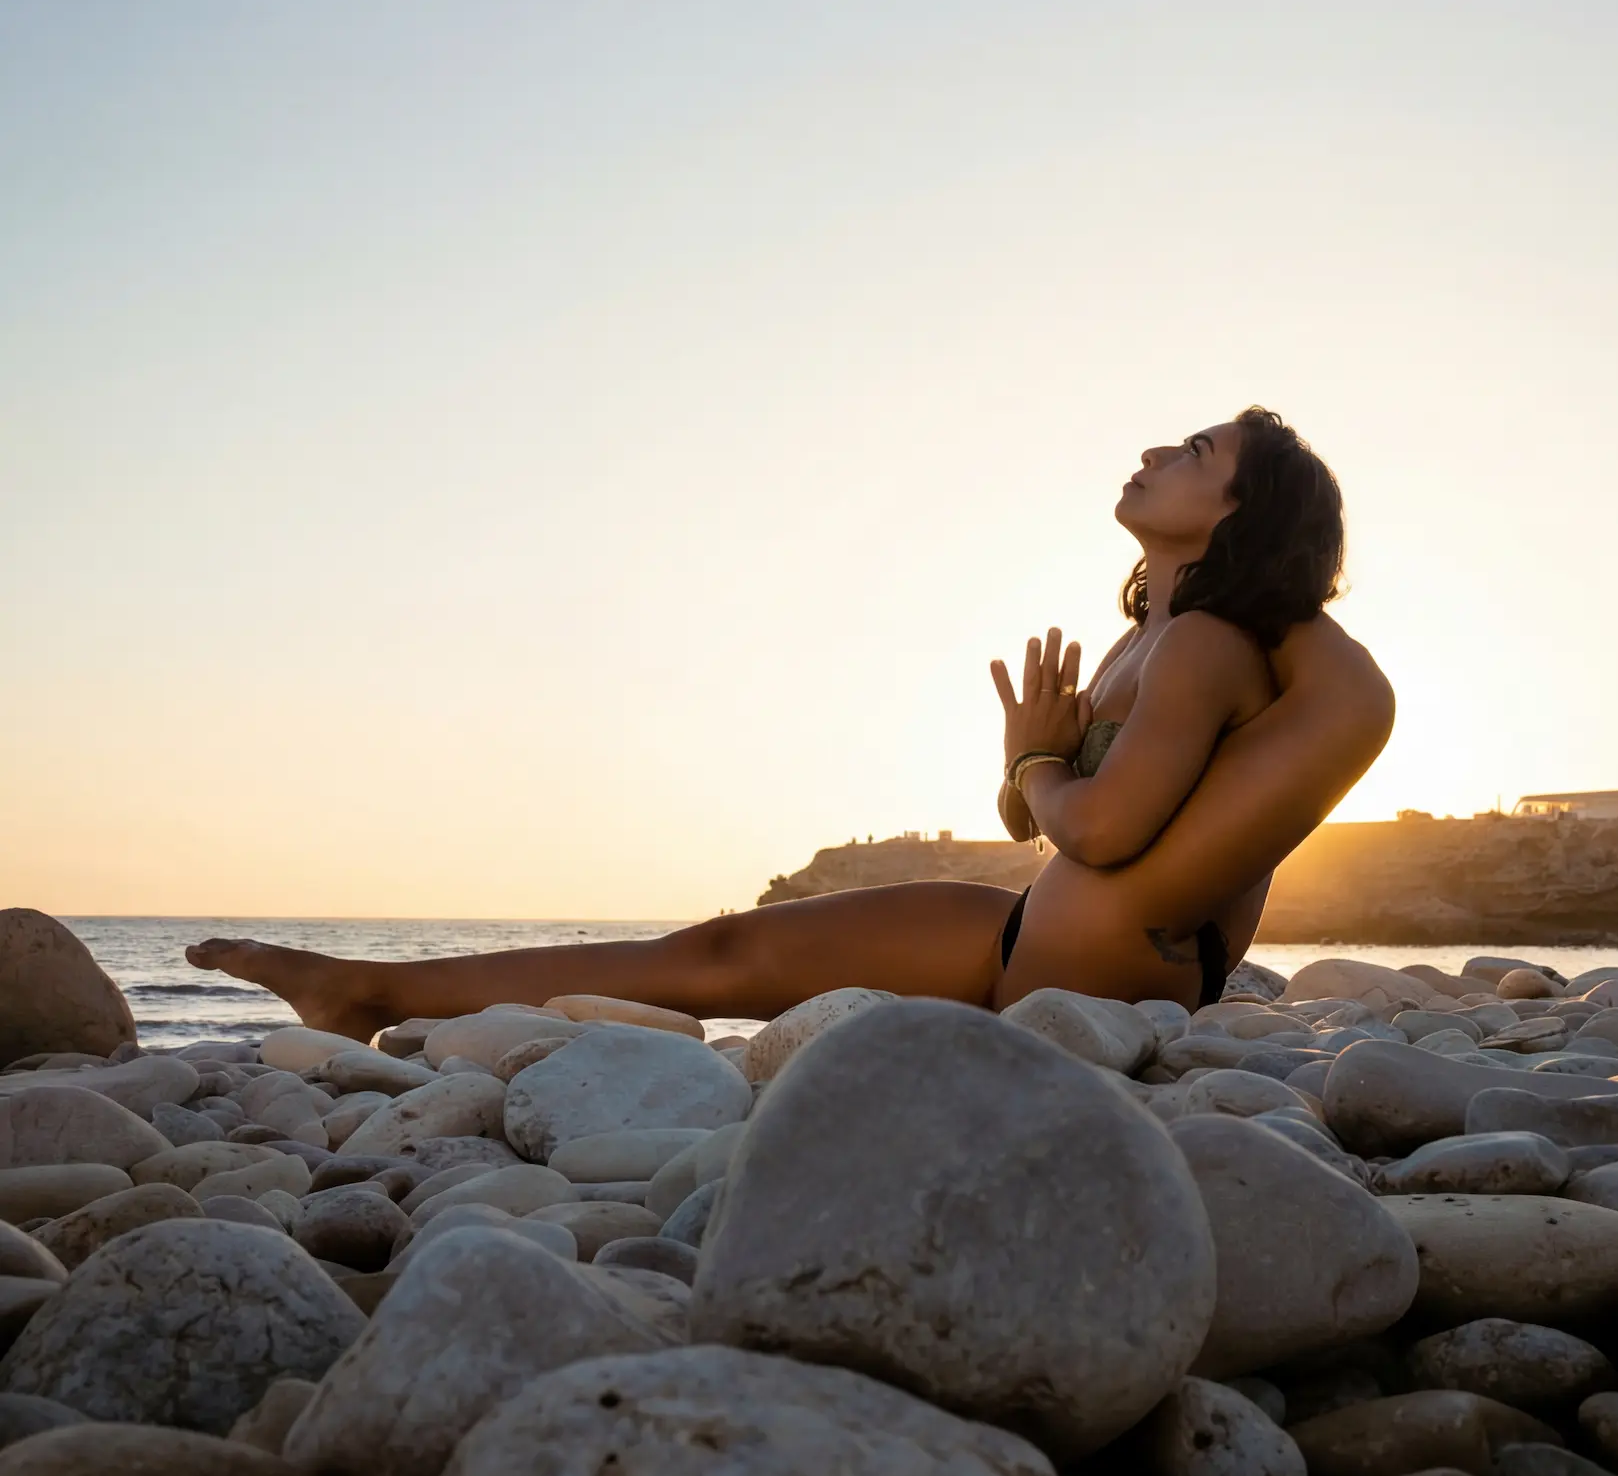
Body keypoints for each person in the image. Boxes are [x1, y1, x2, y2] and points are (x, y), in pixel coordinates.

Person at [187, 408, 1392, 1039]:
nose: (1151, 452)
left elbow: (1109, 830)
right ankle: (365, 991)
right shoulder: (1142, 637)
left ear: (1239, 515)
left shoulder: (1204, 644)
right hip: (1038, 945)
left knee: (718, 967)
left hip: (1106, 980)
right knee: (720, 953)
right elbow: (1037, 820)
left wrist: (1037, 758)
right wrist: (1025, 761)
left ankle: (369, 993)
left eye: (1193, 451)